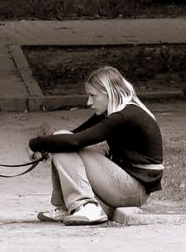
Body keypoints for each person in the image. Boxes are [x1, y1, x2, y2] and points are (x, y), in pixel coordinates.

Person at [27, 66, 163, 226]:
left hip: (133, 191)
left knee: (63, 143)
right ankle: (68, 207)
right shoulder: (115, 110)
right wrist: (46, 147)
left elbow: (74, 141)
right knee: (60, 141)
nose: (88, 102)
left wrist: (34, 144)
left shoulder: (123, 116)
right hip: (124, 188)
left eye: (93, 96)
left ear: (109, 93)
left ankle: (86, 206)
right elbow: (72, 135)